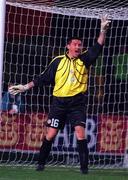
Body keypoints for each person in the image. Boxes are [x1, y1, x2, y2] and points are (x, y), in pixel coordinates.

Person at [9, 15, 110, 174]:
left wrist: (103, 30)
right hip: (58, 103)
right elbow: (43, 78)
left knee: (80, 133)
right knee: (50, 134)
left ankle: (84, 169)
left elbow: (97, 47)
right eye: (75, 44)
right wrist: (24, 87)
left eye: (80, 44)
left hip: (77, 103)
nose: (78, 47)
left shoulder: (84, 60)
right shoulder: (57, 61)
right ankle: (40, 164)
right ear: (68, 46)